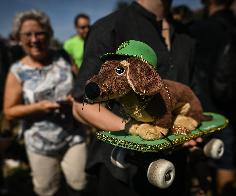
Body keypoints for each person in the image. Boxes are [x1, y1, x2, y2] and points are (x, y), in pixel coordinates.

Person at [72, 0, 200, 195]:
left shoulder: (187, 34)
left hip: (174, 165)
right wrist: (135, 129)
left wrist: (191, 132)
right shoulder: (109, 27)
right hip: (122, 167)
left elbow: (190, 92)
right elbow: (81, 104)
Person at [4, 10, 87, 196]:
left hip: (73, 136)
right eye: (28, 34)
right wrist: (39, 107)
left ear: (48, 34)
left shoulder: (63, 56)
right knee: (48, 190)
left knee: (79, 184)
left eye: (39, 33)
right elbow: (9, 111)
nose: (34, 39)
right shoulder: (17, 71)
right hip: (39, 144)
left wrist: (75, 98)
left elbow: (79, 84)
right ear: (19, 38)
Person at [190, 0, 236, 195]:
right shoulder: (232, 26)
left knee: (200, 156)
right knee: (227, 160)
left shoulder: (197, 30)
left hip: (204, 110)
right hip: (231, 108)